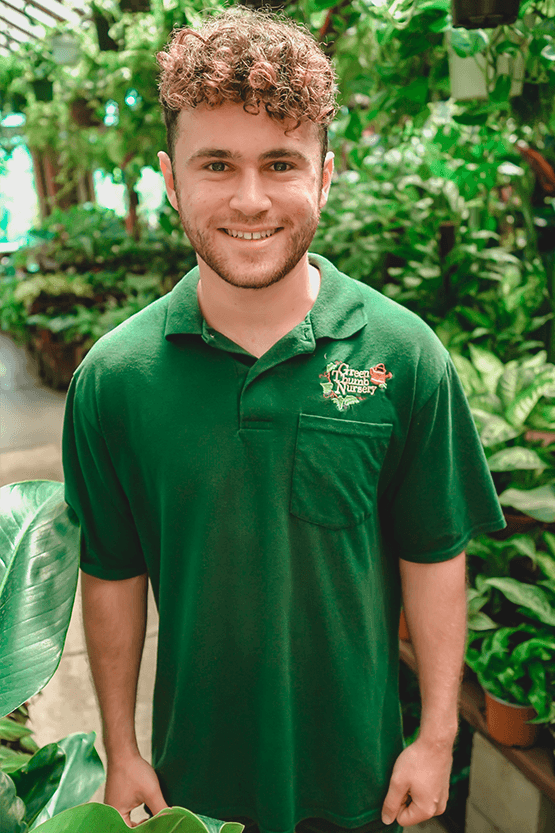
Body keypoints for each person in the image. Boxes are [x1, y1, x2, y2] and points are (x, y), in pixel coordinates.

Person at [62, 7, 506, 833]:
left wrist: (436, 735)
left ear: (326, 176)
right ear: (170, 178)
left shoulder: (402, 354)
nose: (251, 198)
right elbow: (112, 570)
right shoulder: (115, 379)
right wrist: (120, 747)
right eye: (217, 164)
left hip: (364, 785)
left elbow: (435, 549)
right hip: (191, 789)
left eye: (280, 163)